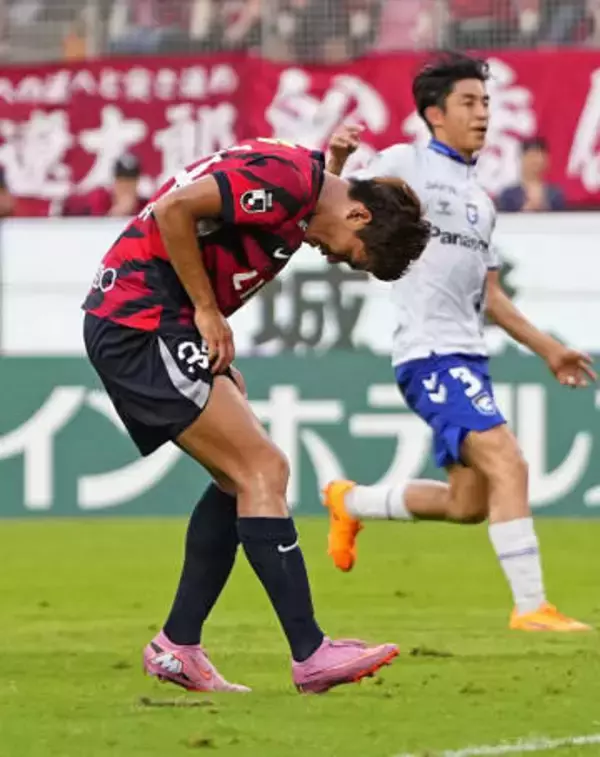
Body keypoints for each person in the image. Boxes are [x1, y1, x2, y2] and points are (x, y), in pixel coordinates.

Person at [82, 137, 429, 693]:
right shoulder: (290, 181)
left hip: (152, 319)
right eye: (350, 255)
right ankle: (310, 653)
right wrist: (206, 311)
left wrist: (337, 165)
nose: (334, 259)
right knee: (262, 469)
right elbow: (174, 209)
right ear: (359, 215)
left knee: (238, 479)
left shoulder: (304, 186)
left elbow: (288, 203)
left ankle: (178, 645)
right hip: (141, 320)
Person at [323, 54, 594, 632]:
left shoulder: (481, 202)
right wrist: (338, 159)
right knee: (509, 461)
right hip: (429, 354)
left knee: (468, 504)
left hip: (468, 355)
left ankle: (351, 501)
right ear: (435, 114)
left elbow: (490, 296)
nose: (482, 114)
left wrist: (549, 349)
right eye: (469, 102)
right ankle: (531, 607)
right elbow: (337, 201)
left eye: (486, 103)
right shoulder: (406, 163)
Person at [62, 154, 148, 218]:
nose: (125, 188)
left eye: (130, 184)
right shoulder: (100, 198)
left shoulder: (144, 206)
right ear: (115, 182)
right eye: (122, 183)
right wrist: (117, 213)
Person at [496, 138, 566, 213]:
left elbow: (561, 217)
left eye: (540, 157)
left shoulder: (554, 194)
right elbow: (503, 218)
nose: (537, 161)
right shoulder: (509, 194)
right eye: (532, 156)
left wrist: (542, 206)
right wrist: (526, 210)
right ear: (522, 158)